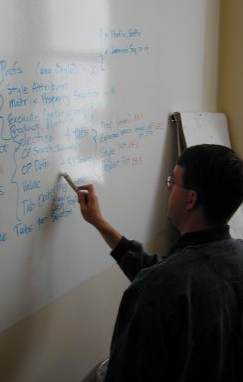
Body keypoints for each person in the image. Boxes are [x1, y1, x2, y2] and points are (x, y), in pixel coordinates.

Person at [77, 144, 243, 382]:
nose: (168, 188)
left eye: (173, 181)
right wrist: (99, 223)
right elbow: (163, 273)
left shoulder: (156, 289)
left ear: (191, 200)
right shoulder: (232, 255)